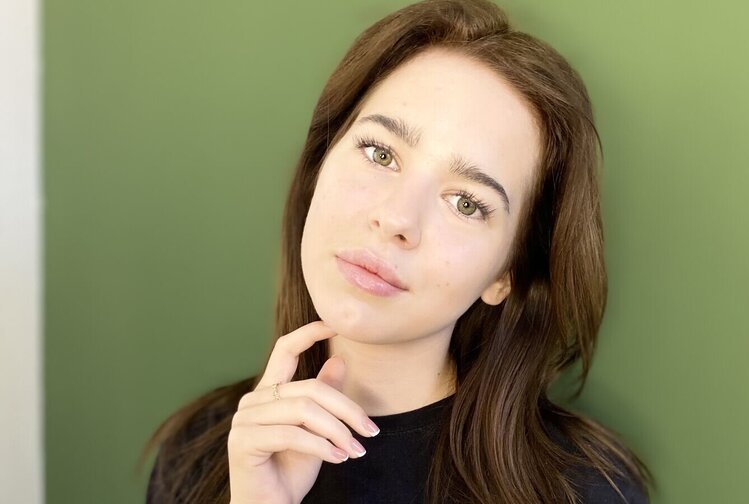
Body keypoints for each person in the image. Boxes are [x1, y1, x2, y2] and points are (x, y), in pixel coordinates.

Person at [139, 0, 653, 502]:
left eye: (466, 203)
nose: (397, 219)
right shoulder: (200, 458)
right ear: (320, 164)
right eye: (380, 153)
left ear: (507, 273)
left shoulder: (585, 490)